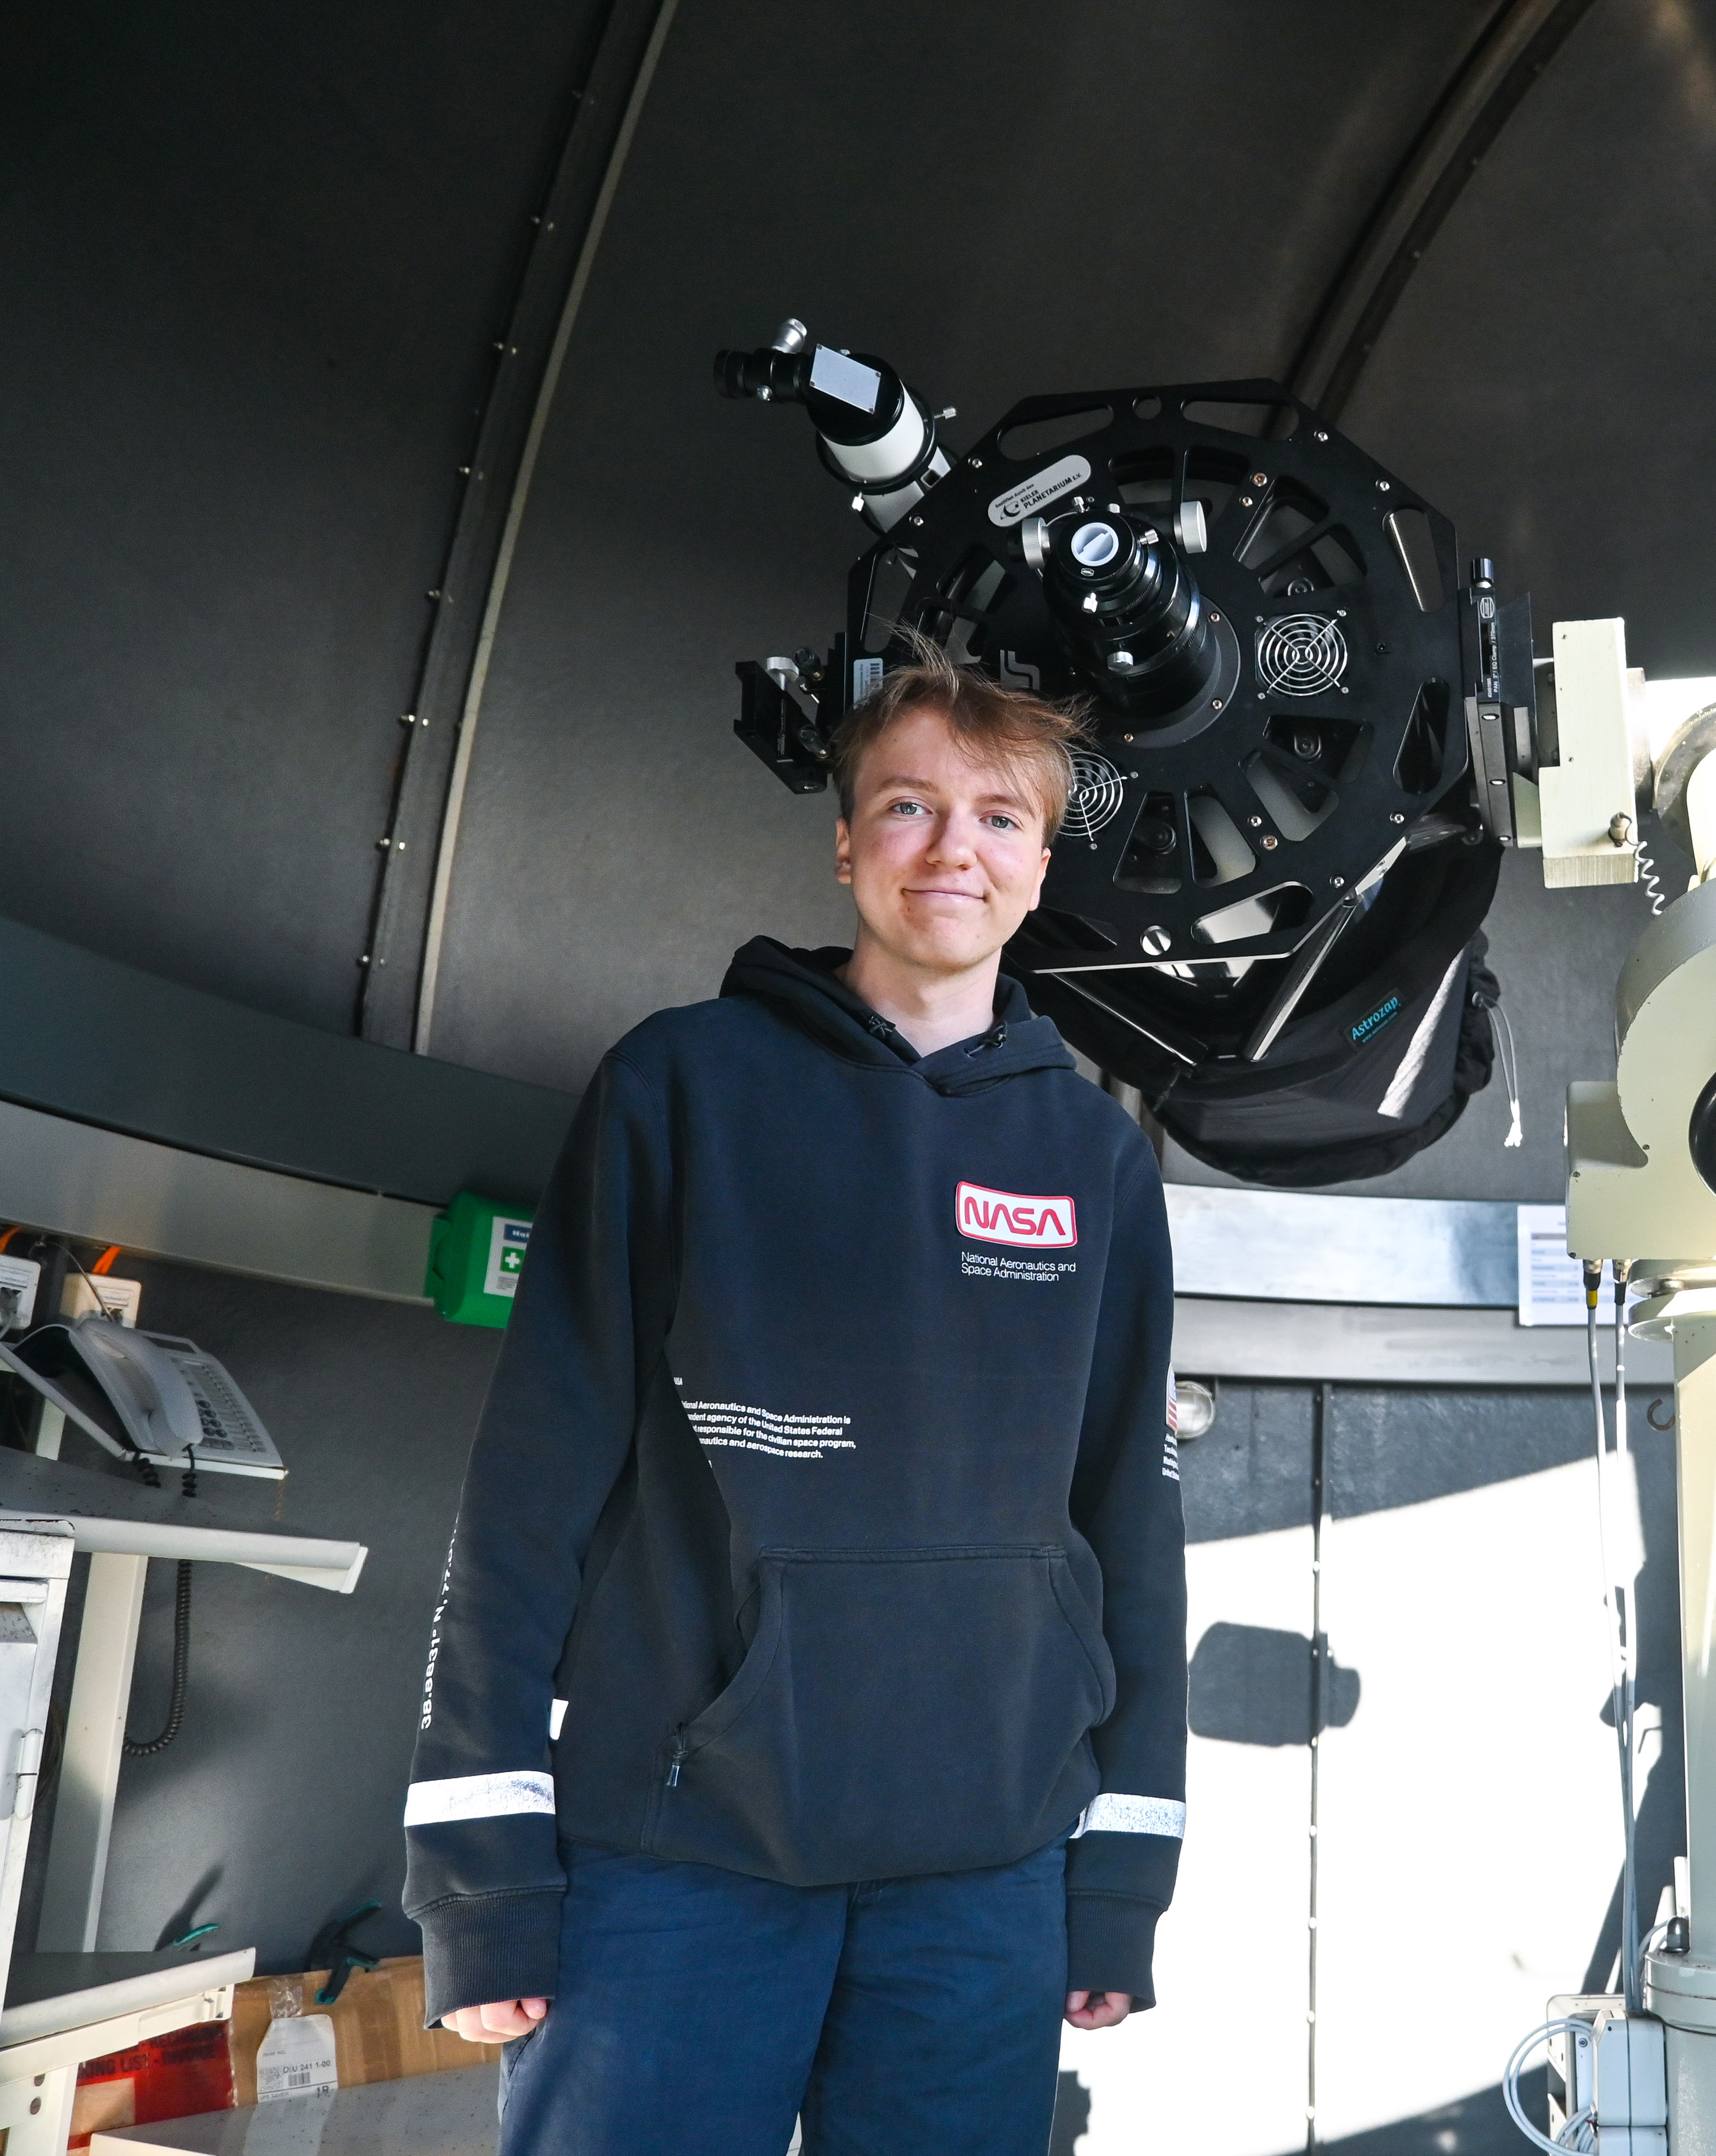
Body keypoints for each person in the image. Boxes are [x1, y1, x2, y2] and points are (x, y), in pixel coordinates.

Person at [400, 645, 1183, 2155]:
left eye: (1002, 819)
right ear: (845, 845)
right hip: (677, 1857)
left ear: (1041, 865)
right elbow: (532, 1479)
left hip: (987, 1871)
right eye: (908, 807)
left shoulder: (1096, 1160)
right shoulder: (680, 1085)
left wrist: (1120, 1873)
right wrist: (482, 1866)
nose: (955, 849)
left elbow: (1127, 1518)